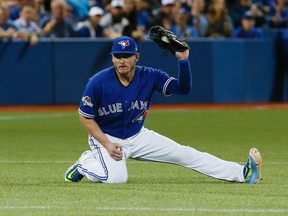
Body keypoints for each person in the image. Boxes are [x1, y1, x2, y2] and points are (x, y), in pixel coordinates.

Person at [64, 35, 262, 184]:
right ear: (112, 58)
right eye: (118, 56)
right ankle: (84, 163)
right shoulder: (98, 82)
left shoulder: (150, 76)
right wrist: (106, 144)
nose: (122, 60)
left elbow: (183, 89)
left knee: (185, 154)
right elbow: (85, 118)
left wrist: (183, 59)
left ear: (137, 57)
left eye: (127, 56)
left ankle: (241, 173)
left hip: (137, 136)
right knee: (116, 179)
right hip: (107, 137)